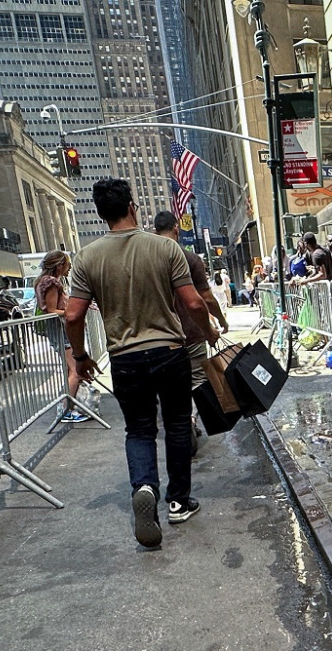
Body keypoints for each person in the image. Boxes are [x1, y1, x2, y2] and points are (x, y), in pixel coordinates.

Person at [64, 179, 218, 549]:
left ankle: (145, 486)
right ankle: (179, 501)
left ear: (102, 214)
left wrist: (81, 357)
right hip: (169, 350)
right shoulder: (164, 248)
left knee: (139, 430)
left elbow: (73, 315)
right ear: (132, 207)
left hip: (124, 359)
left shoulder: (87, 258)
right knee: (179, 424)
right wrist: (209, 331)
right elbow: (194, 303)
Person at [154, 212, 229, 455]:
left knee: (170, 384)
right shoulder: (190, 259)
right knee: (197, 379)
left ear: (156, 231)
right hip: (193, 331)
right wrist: (218, 321)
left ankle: (180, 420)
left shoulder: (149, 260)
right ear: (176, 229)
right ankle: (192, 419)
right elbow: (204, 299)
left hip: (161, 335)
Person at [34, 249, 87, 423]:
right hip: (60, 330)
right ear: (59, 265)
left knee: (69, 370)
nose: (69, 268)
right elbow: (50, 310)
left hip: (58, 330)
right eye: (67, 265)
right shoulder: (50, 282)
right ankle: (65, 410)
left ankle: (65, 407)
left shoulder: (46, 281)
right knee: (75, 371)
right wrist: (70, 312)